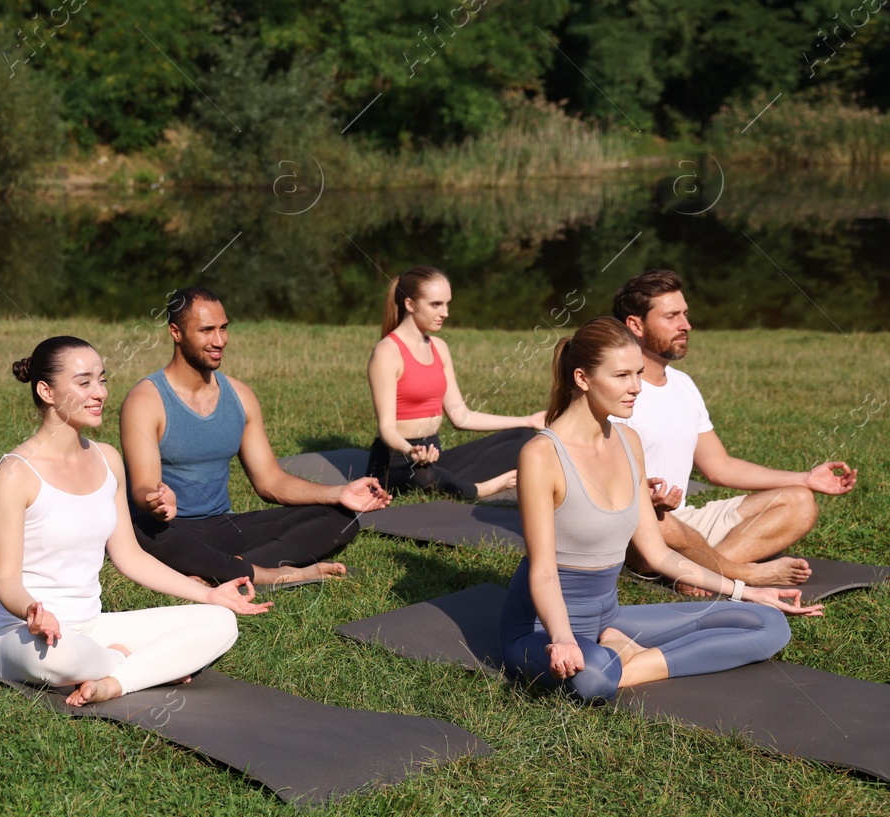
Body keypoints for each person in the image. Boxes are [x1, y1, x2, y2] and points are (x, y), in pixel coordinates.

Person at [499, 317, 821, 701]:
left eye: (638, 373)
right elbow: (544, 571)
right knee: (593, 679)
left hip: (607, 619)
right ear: (583, 378)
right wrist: (564, 639)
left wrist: (747, 591)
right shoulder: (541, 454)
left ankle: (626, 655)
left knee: (767, 623)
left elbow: (657, 553)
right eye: (621, 376)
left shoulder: (627, 440)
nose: (636, 387)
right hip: (543, 629)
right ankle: (613, 657)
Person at [0, 336, 271, 707]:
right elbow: (6, 580)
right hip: (20, 633)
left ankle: (113, 682)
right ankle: (135, 664)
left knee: (220, 622)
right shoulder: (15, 473)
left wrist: (210, 594)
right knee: (62, 656)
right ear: (46, 391)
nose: (99, 392)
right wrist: (32, 611)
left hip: (91, 626)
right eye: (84, 382)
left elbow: (129, 556)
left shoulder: (106, 459)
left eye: (102, 380)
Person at [120, 287, 392, 587]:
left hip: (224, 527)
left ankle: (231, 568)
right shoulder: (146, 400)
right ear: (176, 332)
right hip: (170, 528)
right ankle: (265, 571)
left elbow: (270, 481)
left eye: (223, 329)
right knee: (142, 532)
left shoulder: (240, 396)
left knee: (341, 517)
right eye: (206, 330)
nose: (219, 340)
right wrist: (156, 501)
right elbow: (143, 487)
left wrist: (339, 493)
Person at [611, 269, 857, 588]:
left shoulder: (683, 385)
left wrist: (805, 478)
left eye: (685, 314)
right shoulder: (616, 390)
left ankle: (699, 573)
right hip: (641, 526)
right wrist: (644, 503)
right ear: (636, 325)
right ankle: (725, 573)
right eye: (672, 316)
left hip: (685, 520)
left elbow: (719, 467)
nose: (686, 325)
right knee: (659, 523)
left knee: (800, 502)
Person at [366, 266, 545, 500]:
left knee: (522, 438)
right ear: (410, 304)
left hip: (434, 457)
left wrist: (528, 419)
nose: (445, 313)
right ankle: (480, 489)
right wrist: (411, 451)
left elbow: (461, 416)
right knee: (424, 477)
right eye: (436, 305)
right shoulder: (387, 353)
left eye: (447, 304)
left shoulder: (439, 348)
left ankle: (453, 482)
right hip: (397, 462)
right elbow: (386, 428)